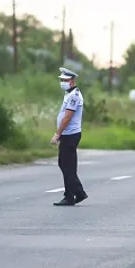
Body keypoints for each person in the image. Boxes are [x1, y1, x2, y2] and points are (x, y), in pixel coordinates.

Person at [50, 67, 88, 206]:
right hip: (69, 134)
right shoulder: (69, 94)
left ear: (72, 81)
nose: (62, 83)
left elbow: (67, 117)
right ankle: (71, 195)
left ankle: (77, 193)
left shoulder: (74, 96)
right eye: (61, 80)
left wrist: (57, 134)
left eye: (65, 80)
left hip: (70, 135)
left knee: (65, 165)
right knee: (68, 166)